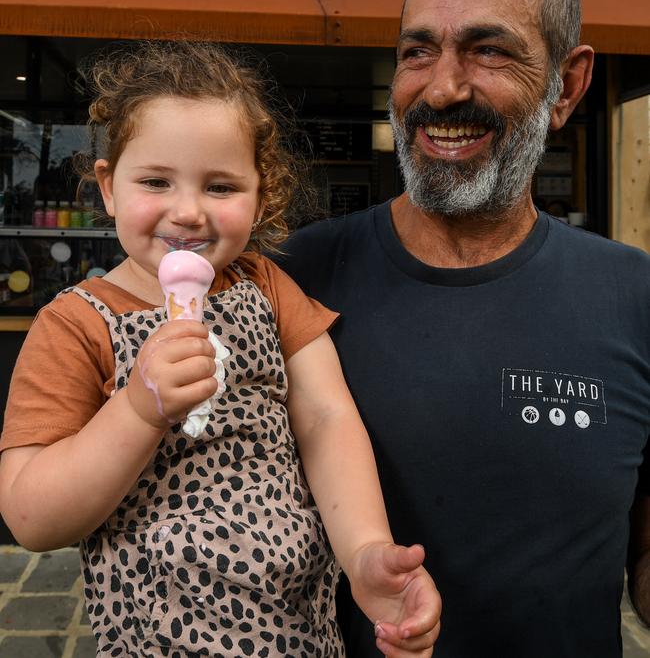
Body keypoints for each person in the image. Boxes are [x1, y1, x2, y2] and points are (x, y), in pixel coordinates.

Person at [0, 42, 441, 658]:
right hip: (156, 634)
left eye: (221, 186)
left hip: (296, 626)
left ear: (260, 198)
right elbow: (30, 516)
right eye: (155, 181)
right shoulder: (75, 324)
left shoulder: (265, 287)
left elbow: (326, 418)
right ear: (108, 188)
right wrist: (136, 411)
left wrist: (365, 549)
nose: (187, 212)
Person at [276, 0, 650, 658]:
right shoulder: (292, 278)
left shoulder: (634, 293)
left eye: (488, 50)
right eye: (418, 51)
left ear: (566, 87)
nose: (441, 88)